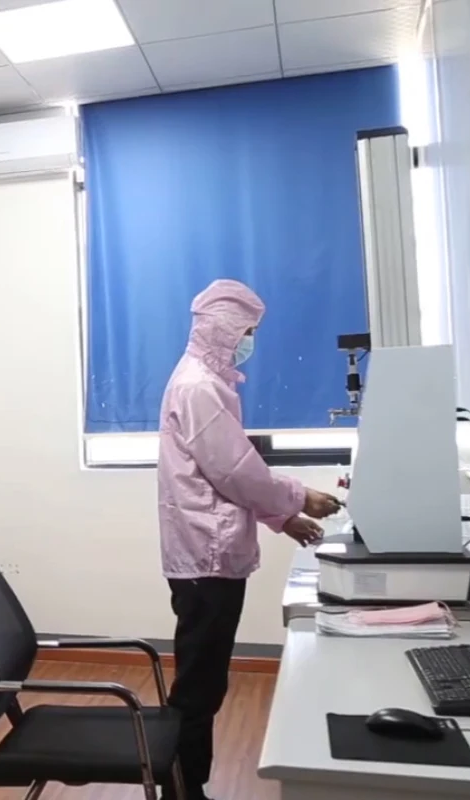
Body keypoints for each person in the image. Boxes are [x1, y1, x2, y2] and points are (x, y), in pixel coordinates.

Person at [157, 280, 340, 800]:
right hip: (206, 558)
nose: (250, 341)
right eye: (248, 331)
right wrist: (298, 498)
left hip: (206, 554)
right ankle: (183, 789)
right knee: (200, 687)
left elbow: (229, 474)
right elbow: (236, 472)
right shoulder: (200, 387)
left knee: (204, 681)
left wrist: (283, 517)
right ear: (224, 329)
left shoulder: (208, 382)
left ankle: (184, 784)